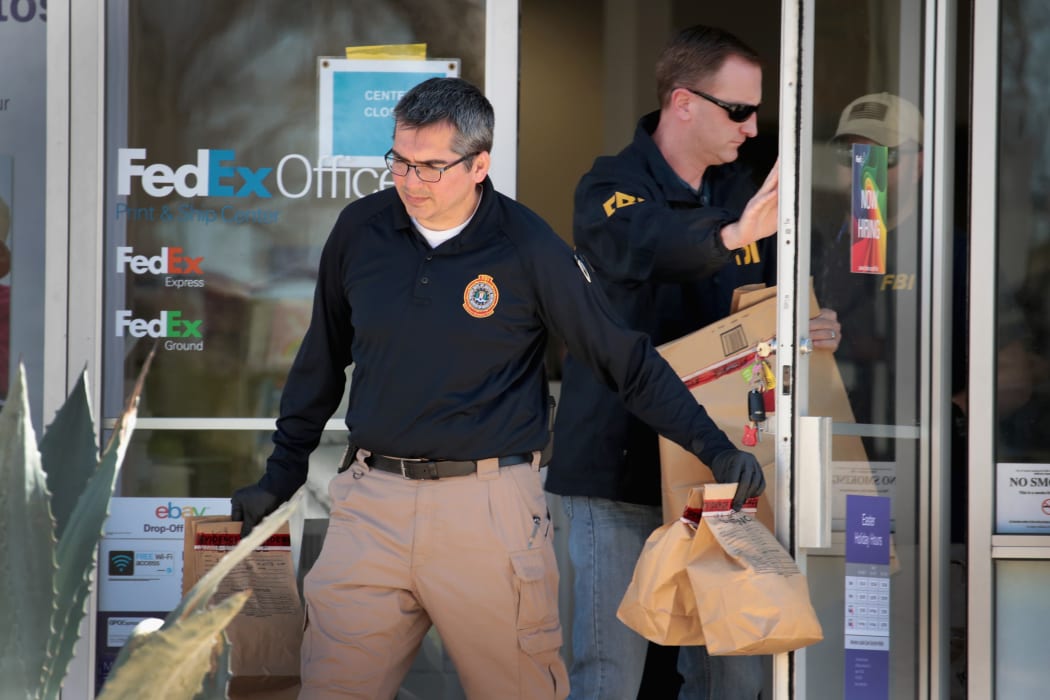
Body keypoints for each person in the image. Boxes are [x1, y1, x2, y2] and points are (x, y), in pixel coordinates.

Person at [229, 76, 765, 700]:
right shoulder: (361, 230)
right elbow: (320, 362)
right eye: (400, 161)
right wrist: (280, 478)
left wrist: (713, 446)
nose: (410, 182)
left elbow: (626, 361)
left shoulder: (527, 247)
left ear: (479, 164)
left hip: (486, 513)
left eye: (432, 167)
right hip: (369, 507)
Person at [546, 25, 839, 700]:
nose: (752, 125)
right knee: (608, 676)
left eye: (756, 110)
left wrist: (811, 324)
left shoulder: (748, 189)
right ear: (683, 103)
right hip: (616, 472)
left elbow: (773, 304)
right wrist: (733, 235)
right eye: (739, 110)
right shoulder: (609, 185)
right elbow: (642, 245)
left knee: (735, 673)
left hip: (721, 472)